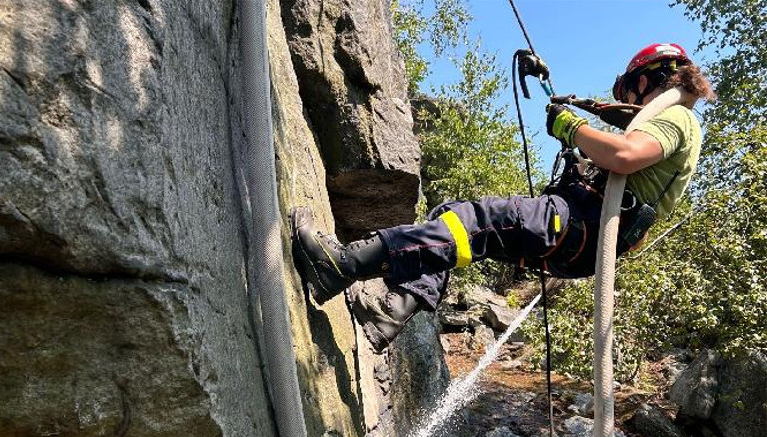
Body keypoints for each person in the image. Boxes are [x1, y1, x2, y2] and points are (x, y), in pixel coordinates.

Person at [291, 43, 715, 352]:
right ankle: (392, 313)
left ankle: (342, 265)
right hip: (582, 234)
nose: (628, 103)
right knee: (452, 218)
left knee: (474, 221)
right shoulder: (673, 121)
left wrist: (569, 127)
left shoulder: (676, 115)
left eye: (628, 92)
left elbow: (623, 154)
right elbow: (619, 151)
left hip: (580, 225)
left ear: (645, 79)